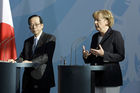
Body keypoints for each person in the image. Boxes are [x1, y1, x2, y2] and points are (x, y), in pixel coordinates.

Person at [9, 15, 56, 93]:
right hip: (28, 80)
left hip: (42, 78)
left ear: (42, 25)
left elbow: (46, 56)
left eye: (36, 24)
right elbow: (22, 56)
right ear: (29, 27)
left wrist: (31, 62)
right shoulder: (27, 41)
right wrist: (15, 61)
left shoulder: (50, 38)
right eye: (31, 25)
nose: (34, 27)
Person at [82, 10, 125, 93]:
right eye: (94, 20)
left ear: (107, 21)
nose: (95, 22)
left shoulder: (116, 35)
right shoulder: (95, 36)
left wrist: (104, 54)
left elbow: (121, 56)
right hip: (96, 80)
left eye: (98, 20)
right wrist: (86, 56)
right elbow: (93, 57)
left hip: (110, 79)